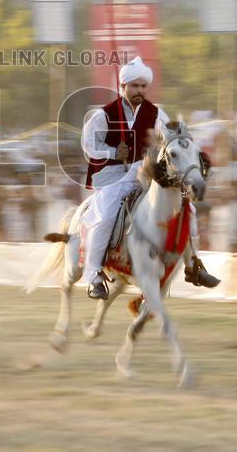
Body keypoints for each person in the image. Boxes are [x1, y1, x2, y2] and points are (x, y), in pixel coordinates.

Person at [80, 56, 219, 299]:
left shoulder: (157, 114)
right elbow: (89, 144)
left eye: (143, 86)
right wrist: (113, 152)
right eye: (134, 86)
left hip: (146, 174)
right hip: (114, 176)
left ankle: (193, 265)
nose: (139, 91)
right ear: (122, 86)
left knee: (188, 210)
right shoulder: (104, 115)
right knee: (104, 217)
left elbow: (172, 141)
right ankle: (93, 275)